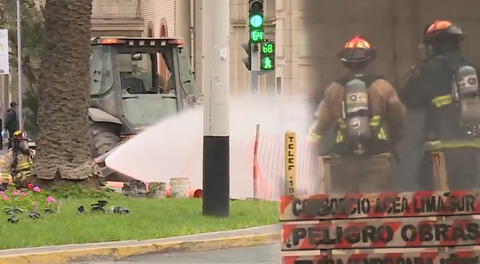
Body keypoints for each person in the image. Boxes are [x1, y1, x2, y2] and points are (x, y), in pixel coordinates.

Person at [308, 35, 406, 193]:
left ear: (345, 62)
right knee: (374, 208)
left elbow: (319, 127)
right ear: (370, 60)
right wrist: (393, 141)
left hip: (343, 159)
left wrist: (310, 152)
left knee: (346, 208)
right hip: (377, 157)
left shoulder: (334, 89)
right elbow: (398, 117)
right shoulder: (383, 87)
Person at [400, 20, 480, 190]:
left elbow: (410, 99)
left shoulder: (428, 70)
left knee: (435, 197)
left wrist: (415, 73)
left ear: (433, 46)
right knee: (466, 199)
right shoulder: (473, 70)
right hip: (470, 148)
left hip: (439, 149)